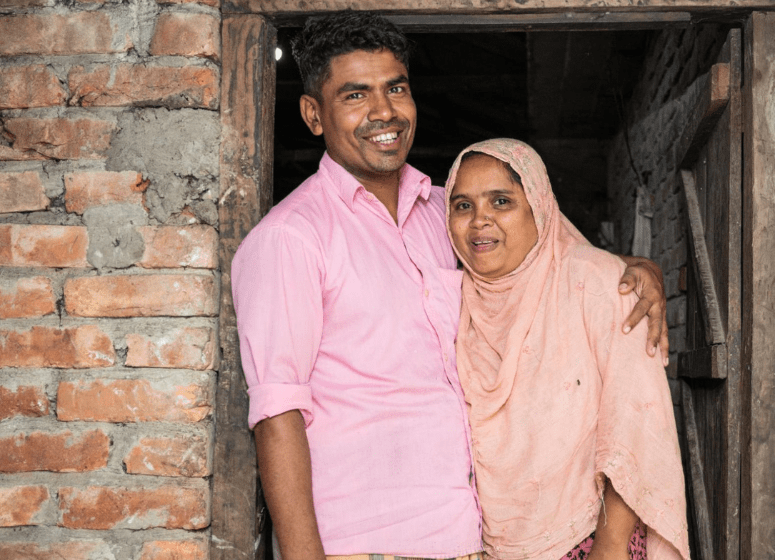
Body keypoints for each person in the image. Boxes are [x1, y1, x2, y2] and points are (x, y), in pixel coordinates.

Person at [231, 12, 671, 560]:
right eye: (355, 95)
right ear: (313, 115)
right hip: (364, 542)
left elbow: (546, 254)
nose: (383, 112)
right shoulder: (290, 239)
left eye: (396, 88)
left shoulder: (447, 212)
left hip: (469, 538)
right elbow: (278, 414)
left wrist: (635, 269)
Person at [445, 139, 689, 560]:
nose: (479, 220)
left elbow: (635, 423)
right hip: (488, 548)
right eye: (462, 205)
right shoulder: (454, 302)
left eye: (500, 201)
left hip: (592, 538)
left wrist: (609, 548)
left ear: (539, 206)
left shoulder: (596, 281)